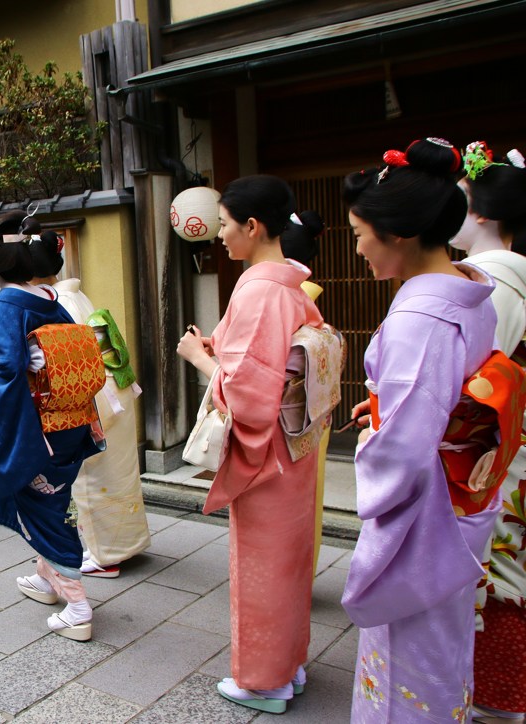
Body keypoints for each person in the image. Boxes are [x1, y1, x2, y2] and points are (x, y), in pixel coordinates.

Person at [339, 138, 504, 722]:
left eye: (360, 234)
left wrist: (375, 441)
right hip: (465, 501)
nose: (357, 248)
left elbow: (405, 453)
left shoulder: (418, 315)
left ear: (401, 234)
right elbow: (440, 395)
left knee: (405, 658)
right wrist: (385, 407)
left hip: (426, 515)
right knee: (445, 645)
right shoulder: (470, 289)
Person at [176, 175, 328, 714]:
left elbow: (249, 390)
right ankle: (289, 664)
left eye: (223, 224)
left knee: (262, 564)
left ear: (252, 226)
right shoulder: (287, 284)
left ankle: (264, 680)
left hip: (269, 455)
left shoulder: (261, 288)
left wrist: (200, 358)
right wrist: (220, 345)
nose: (220, 234)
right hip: (296, 446)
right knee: (289, 562)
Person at [0, 210, 102, 642]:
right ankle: (47, 579)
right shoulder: (49, 298)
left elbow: (8, 369)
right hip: (68, 419)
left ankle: (78, 607)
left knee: (42, 508)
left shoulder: (5, 305)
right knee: (54, 498)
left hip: (35, 426)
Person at [28, 229, 150, 578]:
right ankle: (127, 543)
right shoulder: (73, 293)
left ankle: (104, 554)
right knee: (120, 472)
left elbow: (58, 365)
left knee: (92, 477)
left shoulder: (54, 303)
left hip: (92, 398)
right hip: (114, 390)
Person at [455, 141, 526, 724]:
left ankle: (499, 701)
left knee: (499, 568)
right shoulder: (507, 271)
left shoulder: (496, 279)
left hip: (496, 451)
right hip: (509, 445)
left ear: (482, 213)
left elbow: (478, 381)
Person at [280, 210, 331, 572]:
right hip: (312, 408)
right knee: (308, 494)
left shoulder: (288, 295)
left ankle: (291, 572)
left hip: (290, 412)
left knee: (290, 499)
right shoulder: (303, 293)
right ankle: (302, 568)